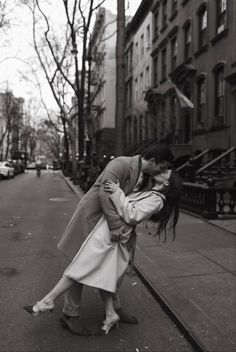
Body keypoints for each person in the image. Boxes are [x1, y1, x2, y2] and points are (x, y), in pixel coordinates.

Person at [23, 169, 182, 336]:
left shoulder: (158, 200)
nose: (162, 170)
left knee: (79, 268)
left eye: (166, 172)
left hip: (112, 237)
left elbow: (132, 215)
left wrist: (117, 192)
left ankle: (46, 302)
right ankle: (110, 314)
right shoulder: (150, 194)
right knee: (103, 277)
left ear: (166, 183)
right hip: (108, 233)